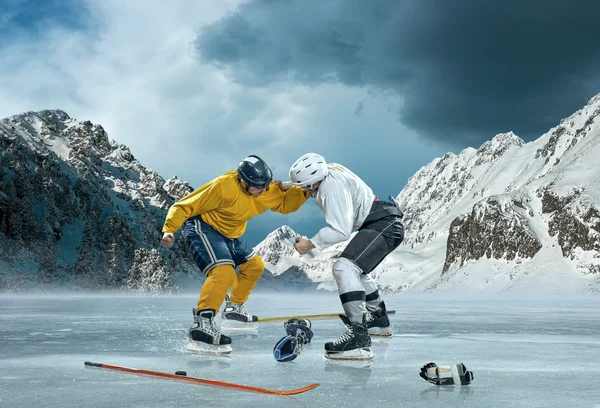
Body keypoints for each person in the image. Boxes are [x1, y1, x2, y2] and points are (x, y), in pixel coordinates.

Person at [161, 155, 309, 349]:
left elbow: (285, 204)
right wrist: (169, 229)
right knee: (224, 272)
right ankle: (202, 324)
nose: (264, 190)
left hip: (229, 235)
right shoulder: (223, 186)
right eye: (258, 187)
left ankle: (233, 308)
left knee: (255, 267)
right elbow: (184, 205)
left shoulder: (264, 188)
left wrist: (306, 189)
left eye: (265, 185)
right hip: (203, 227)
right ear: (243, 181)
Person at [288, 153, 404, 359]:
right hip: (384, 221)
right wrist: (286, 185)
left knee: (344, 267)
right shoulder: (330, 169)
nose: (307, 192)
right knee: (357, 270)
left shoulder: (330, 189)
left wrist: (310, 244)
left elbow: (341, 231)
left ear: (314, 183)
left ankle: (358, 338)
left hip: (382, 225)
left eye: (306, 188)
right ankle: (378, 320)